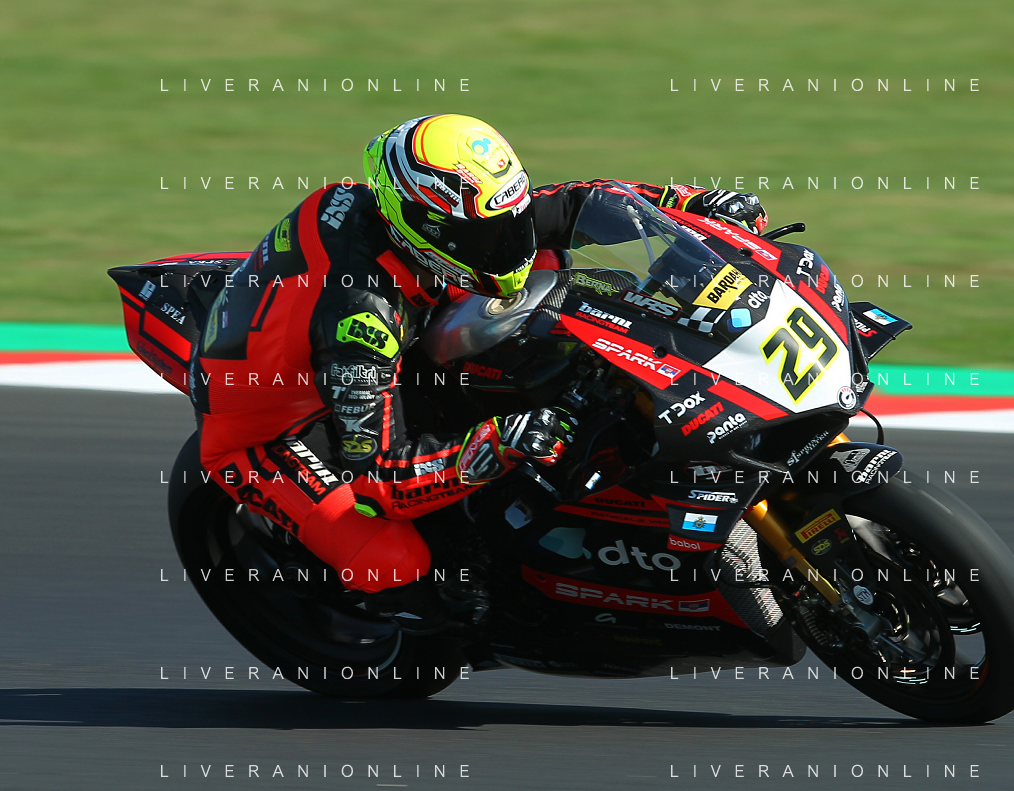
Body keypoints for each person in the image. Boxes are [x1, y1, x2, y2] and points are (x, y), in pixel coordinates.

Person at [190, 113, 767, 632]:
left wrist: (691, 205)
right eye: (489, 236)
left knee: (559, 297)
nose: (511, 242)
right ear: (424, 228)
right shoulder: (361, 320)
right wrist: (493, 444)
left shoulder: (437, 221)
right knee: (405, 571)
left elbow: (575, 206)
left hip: (388, 336)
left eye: (508, 220)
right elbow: (378, 477)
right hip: (271, 427)